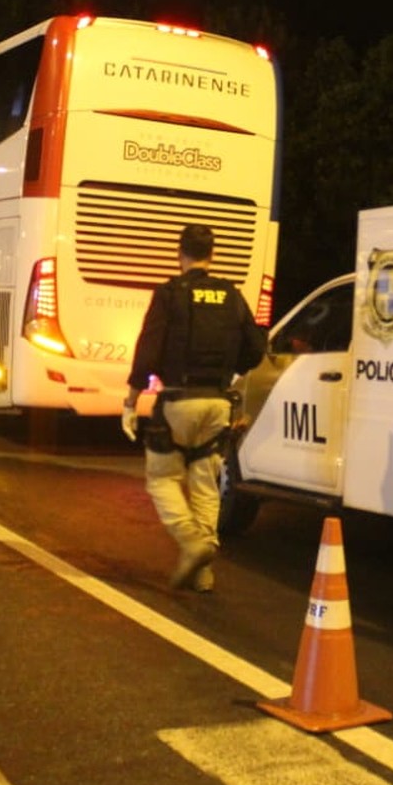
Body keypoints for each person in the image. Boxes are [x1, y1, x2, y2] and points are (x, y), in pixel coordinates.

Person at [122, 225, 266, 591]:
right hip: (218, 404)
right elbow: (254, 347)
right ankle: (203, 570)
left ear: (179, 253)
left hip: (177, 402)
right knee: (206, 485)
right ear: (212, 254)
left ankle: (190, 542)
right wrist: (230, 373)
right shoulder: (232, 296)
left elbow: (148, 349)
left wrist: (132, 399)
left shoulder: (170, 294)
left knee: (162, 478)